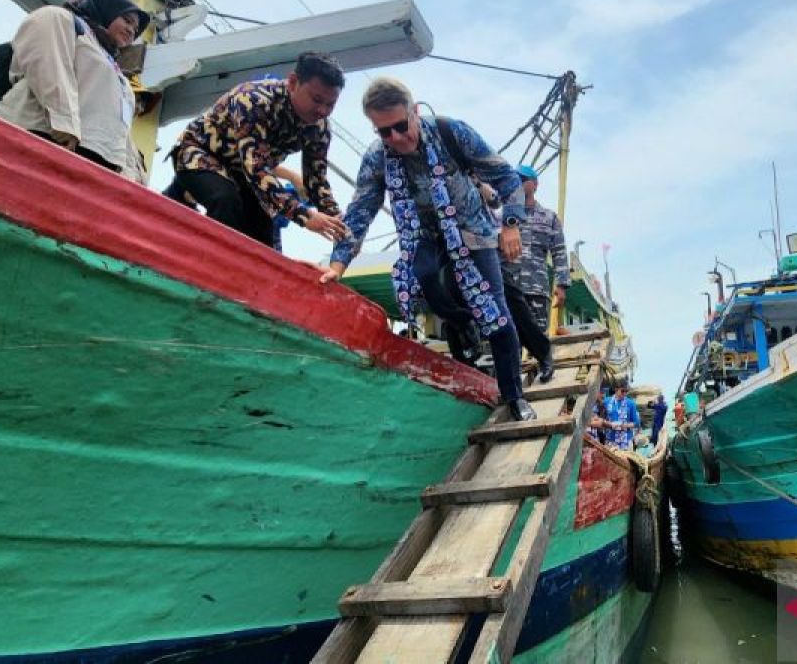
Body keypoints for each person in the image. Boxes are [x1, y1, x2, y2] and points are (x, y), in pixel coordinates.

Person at [320, 77, 536, 421]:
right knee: (422, 279)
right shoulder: (378, 157)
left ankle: (514, 396)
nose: (395, 138)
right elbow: (362, 208)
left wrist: (510, 226)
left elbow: (506, 178)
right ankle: (462, 322)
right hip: (424, 235)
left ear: (415, 113)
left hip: (470, 230)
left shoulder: (454, 133)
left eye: (400, 126)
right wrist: (338, 264)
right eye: (384, 132)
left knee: (494, 311)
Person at [163, 51, 349, 247]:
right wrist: (303, 215)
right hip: (199, 153)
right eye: (317, 100)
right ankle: (208, 264)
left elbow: (316, 181)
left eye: (331, 104)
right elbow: (256, 167)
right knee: (225, 202)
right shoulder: (254, 100)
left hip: (242, 175)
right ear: (293, 82)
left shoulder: (320, 128)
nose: (322, 110)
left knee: (263, 229)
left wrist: (338, 221)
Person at [0, 0, 150, 180]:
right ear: (106, 9)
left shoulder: (116, 70)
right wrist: (64, 128)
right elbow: (50, 66)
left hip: (94, 160)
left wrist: (133, 177)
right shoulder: (63, 20)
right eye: (127, 21)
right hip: (46, 138)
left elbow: (120, 128)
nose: (131, 30)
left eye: (136, 29)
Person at [500, 164, 570, 384]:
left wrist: (561, 285)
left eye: (523, 179)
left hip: (536, 285)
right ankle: (510, 380)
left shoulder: (548, 217)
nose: (518, 182)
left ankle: (545, 366)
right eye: (515, 179)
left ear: (535, 184)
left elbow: (559, 252)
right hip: (510, 285)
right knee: (509, 333)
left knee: (538, 332)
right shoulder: (506, 215)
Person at [603, 385, 641, 451]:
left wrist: (623, 425)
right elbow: (602, 418)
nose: (625, 393)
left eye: (626, 391)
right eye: (622, 391)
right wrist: (610, 424)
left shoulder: (631, 403)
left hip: (625, 440)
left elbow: (636, 423)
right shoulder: (607, 401)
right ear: (616, 389)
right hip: (610, 440)